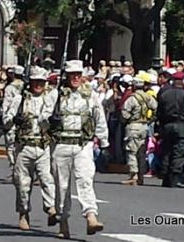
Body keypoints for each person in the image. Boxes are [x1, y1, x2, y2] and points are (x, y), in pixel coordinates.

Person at [49, 60, 108, 238]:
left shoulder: (90, 95)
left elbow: (99, 116)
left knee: (85, 179)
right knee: (62, 185)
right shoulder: (55, 95)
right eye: (72, 74)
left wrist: (104, 141)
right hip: (61, 144)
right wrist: (51, 120)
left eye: (78, 74)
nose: (75, 77)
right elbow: (44, 118)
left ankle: (91, 216)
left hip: (83, 144)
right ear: (66, 75)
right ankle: (63, 221)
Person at [3, 66, 57, 231]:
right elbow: (5, 120)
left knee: (47, 179)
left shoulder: (50, 99)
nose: (38, 85)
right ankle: (23, 213)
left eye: (41, 82)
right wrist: (14, 119)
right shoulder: (20, 99)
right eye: (35, 82)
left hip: (43, 146)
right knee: (23, 184)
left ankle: (50, 208)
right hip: (24, 146)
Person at [157, 70, 184, 188]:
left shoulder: (165, 95)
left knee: (167, 152)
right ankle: (175, 178)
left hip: (167, 126)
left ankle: (165, 177)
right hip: (182, 127)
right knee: (178, 153)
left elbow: (159, 112)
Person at [120, 75, 157, 185]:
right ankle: (141, 175)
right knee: (142, 151)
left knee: (131, 151)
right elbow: (155, 108)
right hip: (144, 125)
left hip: (133, 125)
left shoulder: (132, 98)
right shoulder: (148, 97)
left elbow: (125, 113)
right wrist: (150, 119)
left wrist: (125, 120)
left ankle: (133, 175)